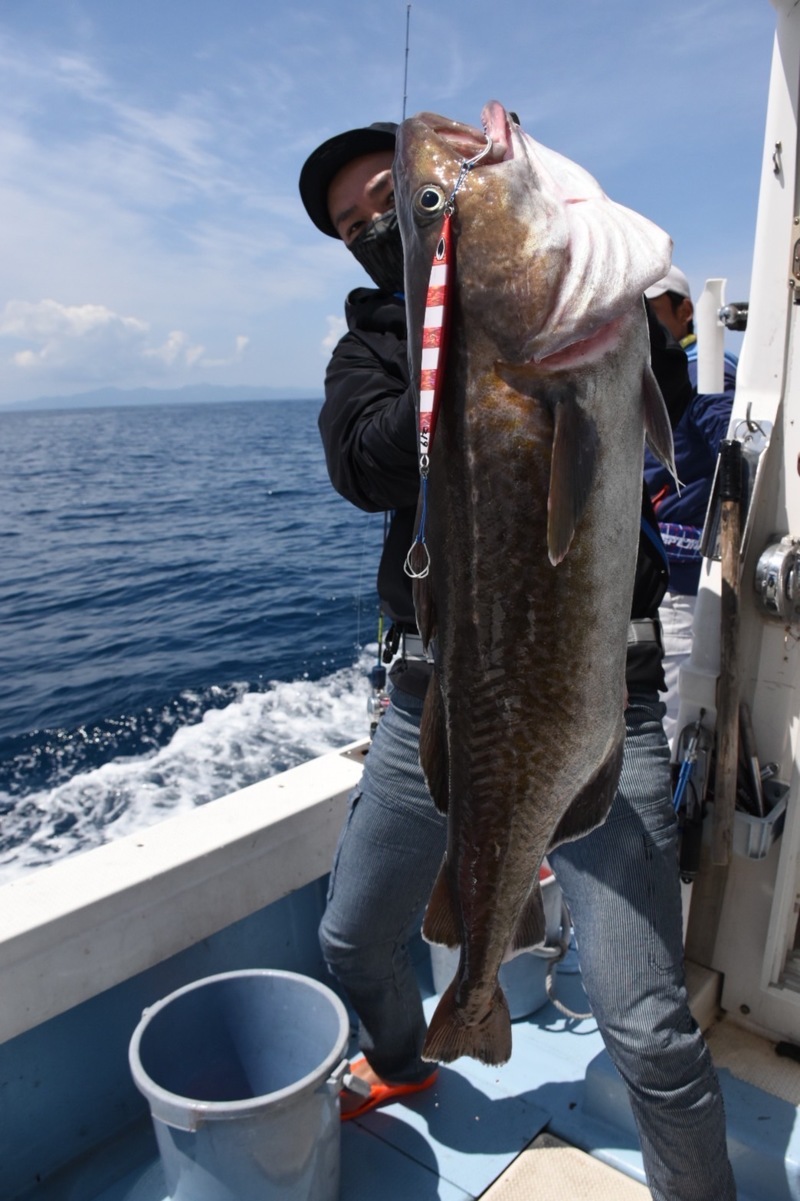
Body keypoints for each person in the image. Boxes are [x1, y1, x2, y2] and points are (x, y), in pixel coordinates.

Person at [299, 122, 737, 1201]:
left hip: (602, 704)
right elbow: (359, 459)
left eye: (397, 206)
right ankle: (406, 1058)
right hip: (431, 700)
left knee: (645, 1023)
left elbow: (667, 416)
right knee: (351, 937)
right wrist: (467, 376)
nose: (377, 229)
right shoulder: (373, 347)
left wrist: (608, 333)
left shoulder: (584, 323)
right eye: (356, 227)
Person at [644, 265, 738, 750]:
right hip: (658, 581)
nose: (646, 325)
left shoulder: (704, 369)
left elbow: (735, 445)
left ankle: (667, 817)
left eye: (655, 312)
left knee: (668, 723)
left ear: (686, 311)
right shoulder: (663, 372)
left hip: (680, 589)